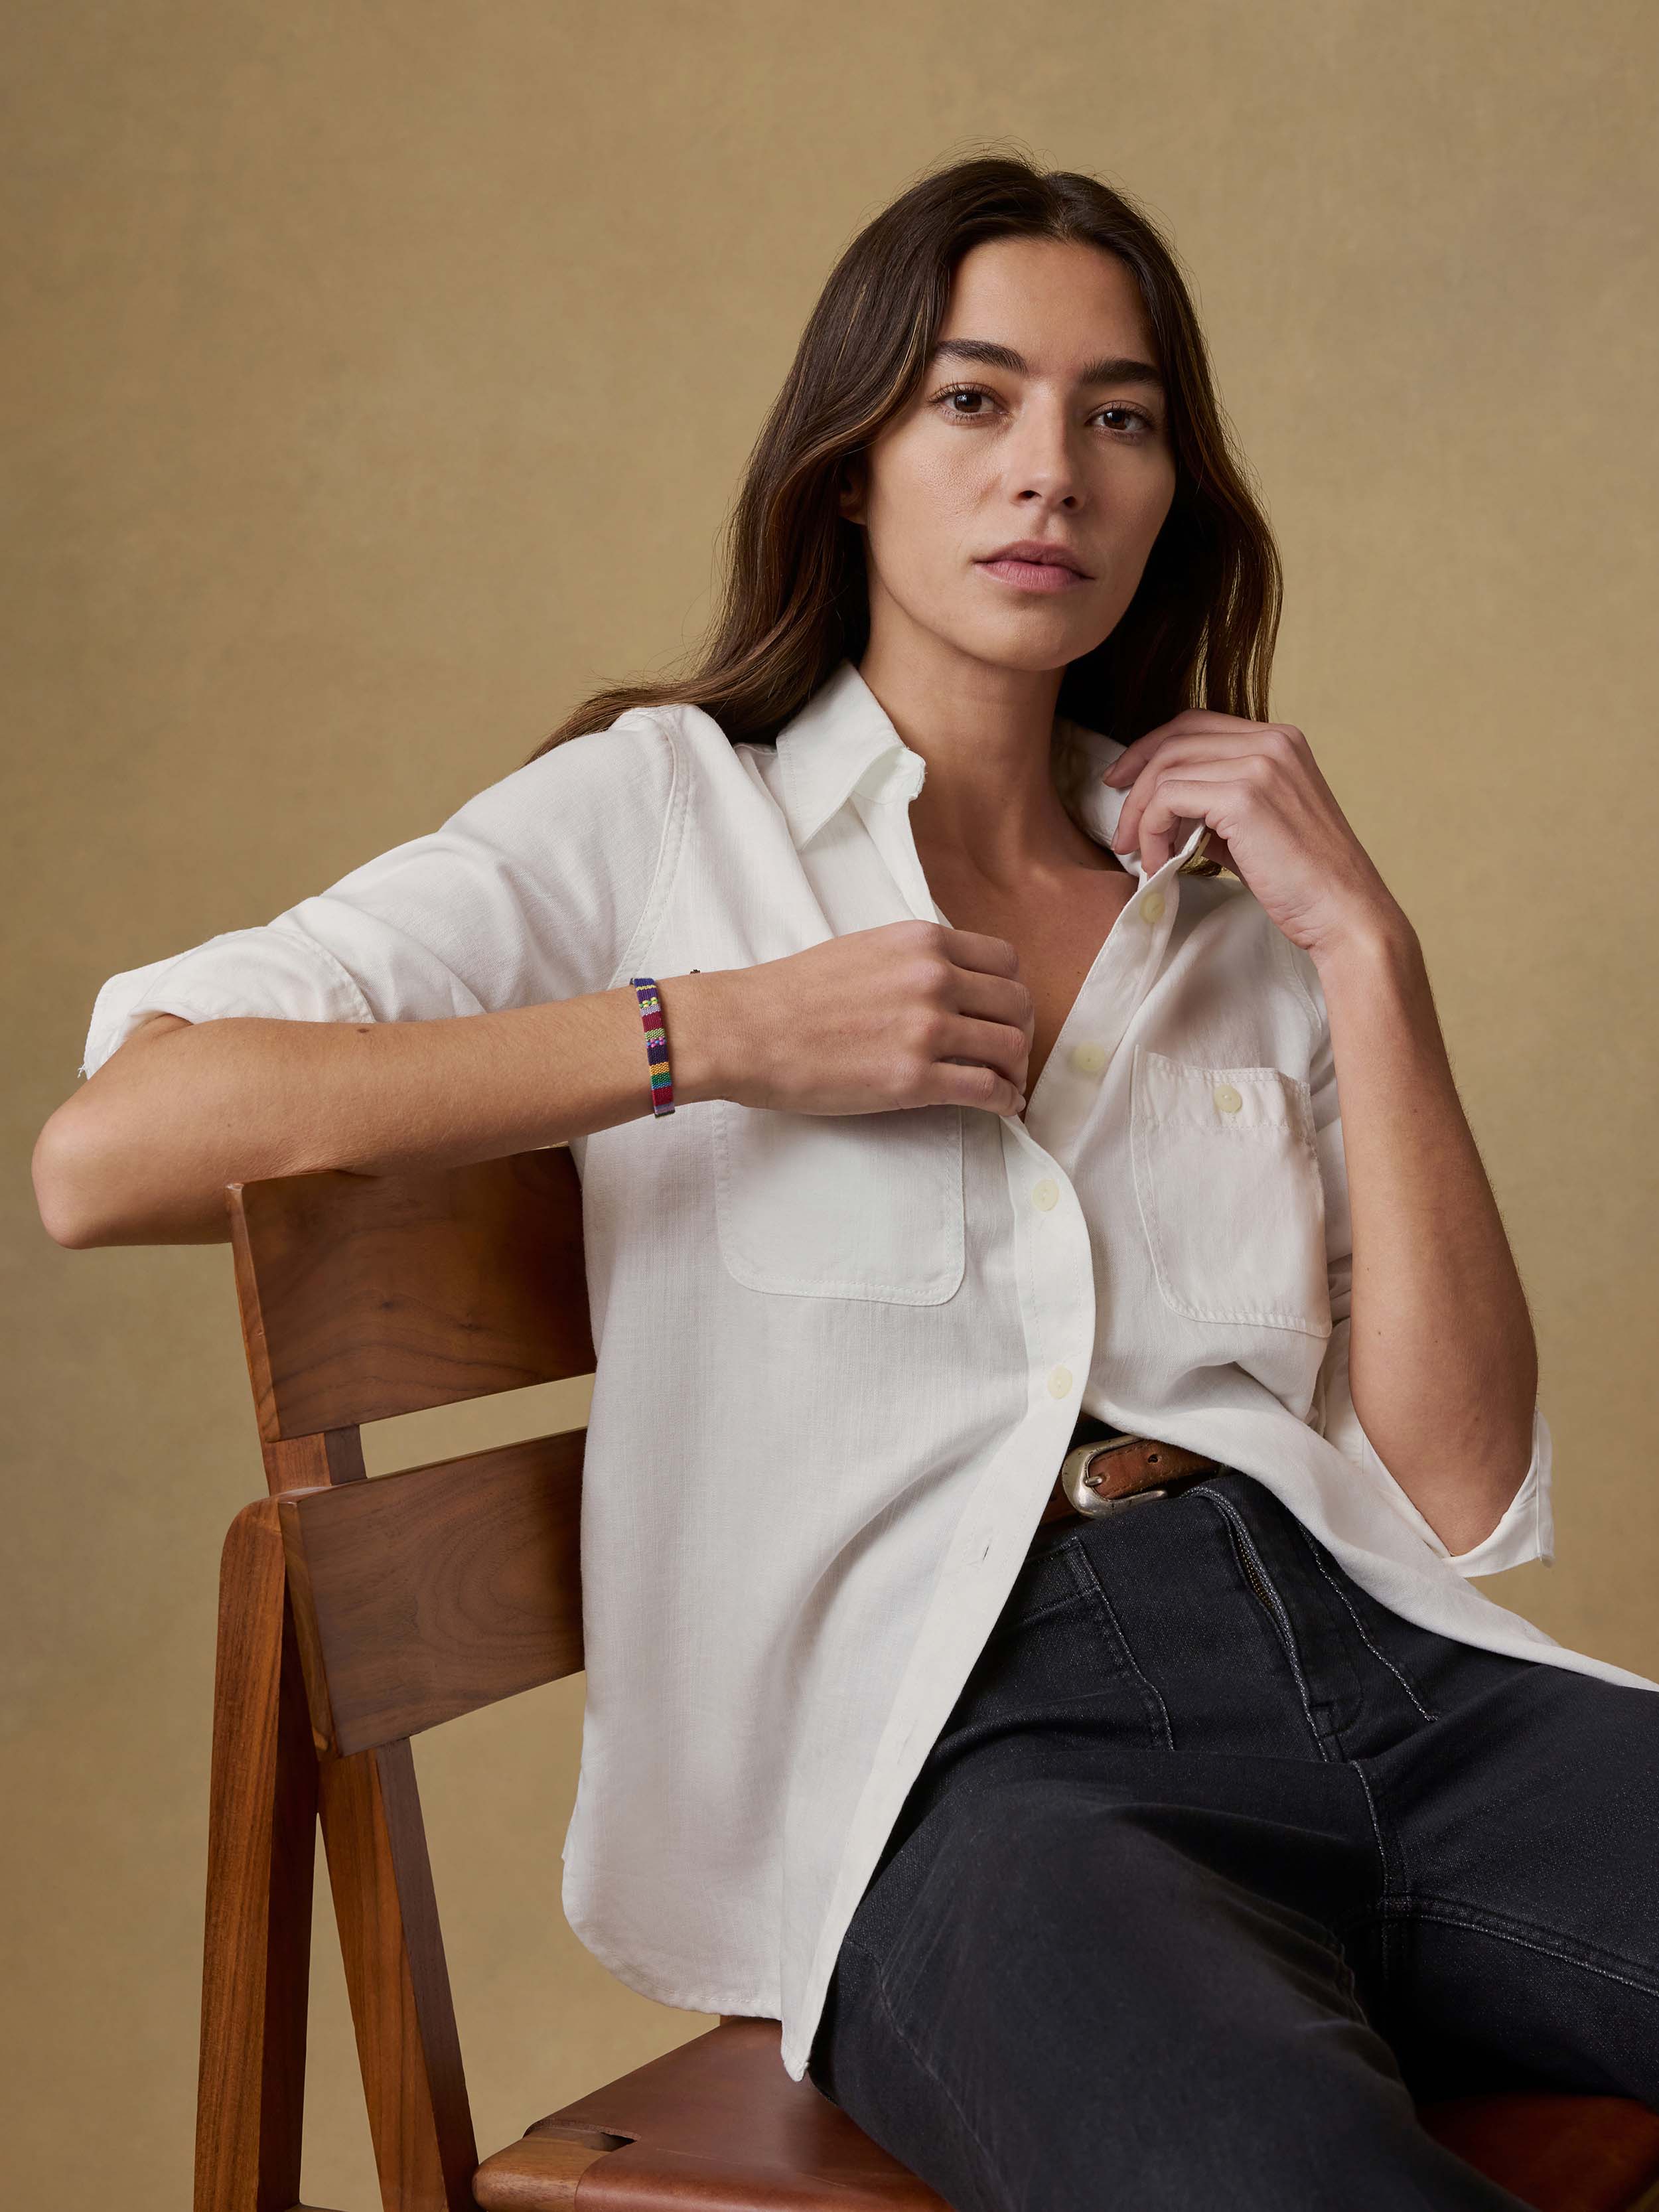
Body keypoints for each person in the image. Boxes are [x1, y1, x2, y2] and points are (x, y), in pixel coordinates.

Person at [35, 155, 1659, 2209]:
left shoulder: (1228, 904)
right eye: (972, 402)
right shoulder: (659, 818)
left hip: (1382, 1674)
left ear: (1169, 494)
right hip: (969, 1774)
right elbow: (110, 1155)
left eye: (1119, 415)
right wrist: (702, 1034)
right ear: (849, 470)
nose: (1048, 471)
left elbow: (1450, 1495)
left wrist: (1368, 955)